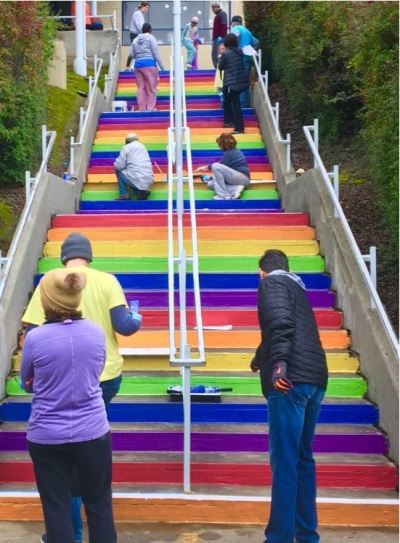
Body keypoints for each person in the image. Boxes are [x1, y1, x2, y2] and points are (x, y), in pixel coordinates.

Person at [22, 232, 142, 543]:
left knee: (58, 491)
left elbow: (31, 352)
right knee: (96, 489)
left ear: (64, 256)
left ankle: (71, 532)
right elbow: (125, 326)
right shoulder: (106, 286)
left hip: (52, 406)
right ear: (88, 256)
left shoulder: (50, 283)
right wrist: (137, 318)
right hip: (101, 384)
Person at [20, 268, 117, 543]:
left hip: (47, 435)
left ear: (46, 300)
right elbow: (94, 374)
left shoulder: (35, 338)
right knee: (99, 504)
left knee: (56, 507)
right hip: (93, 432)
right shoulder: (96, 333)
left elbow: (28, 384)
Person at [250, 249, 328, 543]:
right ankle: (306, 535)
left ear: (262, 271)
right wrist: (261, 355)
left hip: (290, 381)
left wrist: (279, 364)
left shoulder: (270, 284)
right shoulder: (296, 286)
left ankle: (279, 538)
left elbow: (280, 323)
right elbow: (286, 326)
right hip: (315, 379)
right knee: (302, 459)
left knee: (284, 460)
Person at [194, 132, 250, 200]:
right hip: (240, 179)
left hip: (242, 178)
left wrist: (206, 168)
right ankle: (235, 189)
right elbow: (222, 171)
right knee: (211, 184)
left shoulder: (229, 153)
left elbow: (219, 167)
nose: (218, 147)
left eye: (219, 144)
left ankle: (223, 195)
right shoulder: (233, 151)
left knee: (216, 166)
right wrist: (210, 176)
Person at [129, 23, 165, 112]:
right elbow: (156, 53)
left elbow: (131, 54)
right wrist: (162, 66)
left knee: (141, 87)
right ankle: (150, 108)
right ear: (150, 30)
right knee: (151, 88)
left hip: (137, 65)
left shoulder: (135, 39)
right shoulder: (151, 38)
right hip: (149, 65)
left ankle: (142, 108)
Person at [218, 33, 249, 134]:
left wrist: (220, 59)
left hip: (231, 83)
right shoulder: (240, 51)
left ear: (227, 43)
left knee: (235, 104)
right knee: (228, 100)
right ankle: (229, 121)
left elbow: (220, 67)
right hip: (240, 81)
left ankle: (239, 128)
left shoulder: (226, 54)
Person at [114, 132, 154, 200]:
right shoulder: (142, 146)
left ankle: (124, 194)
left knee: (119, 171)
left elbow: (119, 165)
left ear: (126, 141)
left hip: (135, 177)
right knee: (131, 176)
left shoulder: (126, 147)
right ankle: (141, 192)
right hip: (149, 179)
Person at [231, 15, 260, 108]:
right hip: (247, 59)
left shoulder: (236, 28)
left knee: (238, 81)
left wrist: (237, 48)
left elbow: (236, 35)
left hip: (239, 59)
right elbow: (256, 42)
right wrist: (251, 50)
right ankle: (245, 103)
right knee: (245, 81)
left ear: (234, 22)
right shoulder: (247, 31)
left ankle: (240, 103)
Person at [125, 1, 150, 70]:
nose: (147, 9)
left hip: (136, 34)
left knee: (134, 51)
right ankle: (131, 66)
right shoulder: (138, 14)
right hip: (136, 34)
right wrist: (144, 33)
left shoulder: (139, 14)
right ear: (142, 6)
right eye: (146, 7)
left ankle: (128, 66)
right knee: (137, 51)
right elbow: (139, 26)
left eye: (148, 8)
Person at [211, 2, 227, 69]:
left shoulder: (222, 14)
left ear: (216, 7)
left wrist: (222, 37)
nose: (212, 10)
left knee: (217, 54)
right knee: (214, 54)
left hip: (219, 38)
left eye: (213, 8)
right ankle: (217, 67)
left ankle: (219, 67)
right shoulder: (218, 15)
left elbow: (223, 26)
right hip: (216, 37)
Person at [214, 42, 226, 108]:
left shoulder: (226, 58)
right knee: (222, 98)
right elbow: (218, 73)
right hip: (220, 82)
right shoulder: (219, 59)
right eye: (220, 49)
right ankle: (222, 111)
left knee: (225, 99)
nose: (222, 50)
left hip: (226, 81)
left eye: (223, 48)